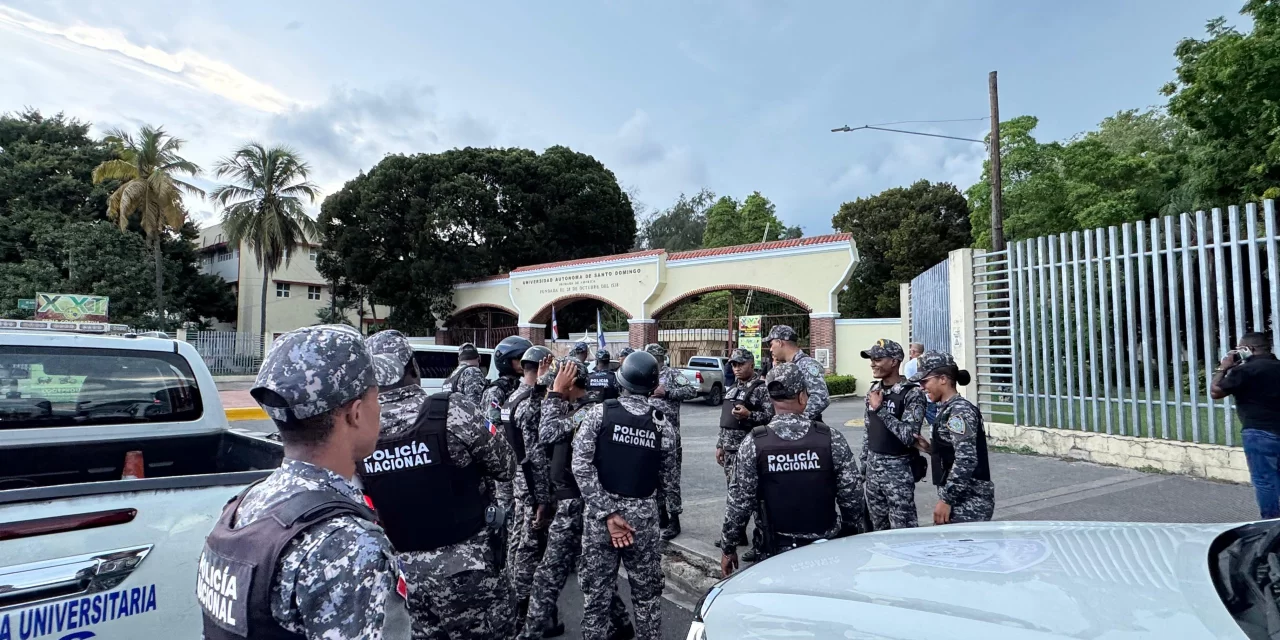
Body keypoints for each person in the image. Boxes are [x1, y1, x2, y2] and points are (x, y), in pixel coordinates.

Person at [198, 325, 410, 640]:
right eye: (377, 396)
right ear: (355, 413)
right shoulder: (346, 546)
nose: (381, 408)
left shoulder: (245, 507)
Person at [358, 330, 519, 639]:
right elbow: (506, 467)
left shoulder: (359, 426)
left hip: (400, 576)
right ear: (413, 367)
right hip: (468, 569)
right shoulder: (452, 410)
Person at [521, 357, 633, 640]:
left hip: (578, 502)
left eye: (558, 383)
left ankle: (531, 632)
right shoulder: (574, 410)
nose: (551, 390)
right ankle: (620, 624)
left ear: (570, 383)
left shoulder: (588, 412)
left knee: (549, 573)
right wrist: (550, 389)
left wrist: (556, 393)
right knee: (589, 572)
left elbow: (547, 433)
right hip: (574, 500)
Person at [719, 362, 865, 577]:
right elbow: (852, 495)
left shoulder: (754, 442)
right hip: (826, 550)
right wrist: (851, 531)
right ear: (802, 396)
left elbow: (740, 501)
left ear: (770, 399)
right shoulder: (830, 438)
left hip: (775, 553)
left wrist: (728, 546)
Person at [572, 350, 679, 640]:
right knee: (647, 599)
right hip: (642, 520)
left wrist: (607, 511)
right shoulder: (662, 424)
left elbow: (580, 465)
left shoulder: (599, 413)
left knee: (596, 598)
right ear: (652, 385)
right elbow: (669, 478)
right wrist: (671, 509)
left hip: (600, 521)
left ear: (621, 381)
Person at [505, 345, 562, 636]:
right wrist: (542, 500)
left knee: (518, 548)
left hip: (517, 485)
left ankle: (529, 613)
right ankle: (525, 619)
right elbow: (536, 456)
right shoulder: (531, 404)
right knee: (530, 553)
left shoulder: (511, 398)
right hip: (531, 488)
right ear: (544, 366)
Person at [911, 351, 994, 524]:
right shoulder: (948, 409)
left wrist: (946, 499)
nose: (922, 387)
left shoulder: (959, 412)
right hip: (960, 497)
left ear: (943, 379)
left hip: (968, 501)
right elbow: (956, 452)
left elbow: (966, 459)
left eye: (925, 381)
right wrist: (931, 449)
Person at [480, 335, 535, 570]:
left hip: (522, 460)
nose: (523, 365)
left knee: (524, 516)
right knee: (508, 515)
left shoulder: (524, 387)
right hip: (504, 462)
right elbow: (492, 427)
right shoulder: (496, 391)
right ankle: (504, 565)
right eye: (519, 360)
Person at [1211, 332, 1280, 518]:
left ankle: (1271, 525)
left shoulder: (1245, 371)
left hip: (1259, 432)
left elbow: (1215, 392)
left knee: (1265, 481)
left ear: (1247, 349)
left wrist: (1223, 368)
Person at [859, 339, 926, 531]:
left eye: (878, 358)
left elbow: (908, 436)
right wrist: (863, 468)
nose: (873, 363)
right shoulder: (874, 390)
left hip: (898, 472)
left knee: (903, 530)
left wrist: (880, 409)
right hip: (873, 470)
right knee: (877, 529)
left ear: (894, 361)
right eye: (871, 358)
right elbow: (868, 431)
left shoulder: (911, 393)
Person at [713, 348, 773, 559]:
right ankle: (736, 534)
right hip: (730, 450)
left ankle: (761, 543)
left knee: (755, 499)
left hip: (748, 451)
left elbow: (770, 417)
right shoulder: (733, 387)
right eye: (733, 364)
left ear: (751, 364)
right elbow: (726, 421)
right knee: (734, 496)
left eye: (740, 364)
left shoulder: (760, 388)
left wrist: (750, 414)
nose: (736, 368)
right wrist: (720, 444)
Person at [643, 343, 698, 540]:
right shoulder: (644, 376)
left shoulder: (673, 374)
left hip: (670, 437)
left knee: (670, 480)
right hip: (648, 437)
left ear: (661, 357)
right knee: (651, 477)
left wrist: (667, 393)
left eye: (654, 356)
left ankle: (675, 520)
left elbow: (692, 391)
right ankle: (661, 516)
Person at [763, 325, 829, 423]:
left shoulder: (806, 364)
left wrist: (800, 420)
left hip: (806, 431)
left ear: (779, 342)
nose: (771, 349)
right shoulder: (788, 366)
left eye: (771, 344)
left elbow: (821, 396)